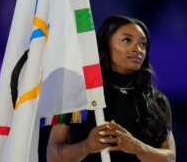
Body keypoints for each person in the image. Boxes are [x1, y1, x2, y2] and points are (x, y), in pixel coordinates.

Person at [47, 15, 176, 162]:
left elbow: (170, 158)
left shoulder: (155, 100)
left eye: (143, 44)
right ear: (105, 45)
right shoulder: (77, 94)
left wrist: (136, 147)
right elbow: (53, 155)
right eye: (127, 40)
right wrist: (87, 146)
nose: (138, 49)